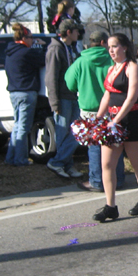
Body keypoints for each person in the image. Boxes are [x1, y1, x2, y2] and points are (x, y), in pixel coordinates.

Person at [93, 33, 138, 221]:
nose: (111, 50)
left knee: (137, 164)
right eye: (109, 47)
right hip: (113, 122)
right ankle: (110, 206)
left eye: (115, 46)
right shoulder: (112, 69)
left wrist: (115, 120)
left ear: (125, 47)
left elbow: (131, 97)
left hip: (133, 120)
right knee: (107, 165)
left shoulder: (133, 68)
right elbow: (107, 96)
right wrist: (98, 118)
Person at [65, 31, 127, 192]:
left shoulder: (80, 62)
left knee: (94, 146)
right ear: (103, 42)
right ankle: (118, 179)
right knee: (114, 142)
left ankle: (97, 181)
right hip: (112, 108)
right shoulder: (111, 60)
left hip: (89, 110)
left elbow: (70, 84)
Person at [45, 19, 83, 179]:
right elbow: (51, 77)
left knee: (75, 131)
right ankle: (60, 163)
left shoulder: (72, 48)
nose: (78, 34)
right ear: (68, 32)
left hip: (73, 96)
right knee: (63, 133)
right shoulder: (55, 49)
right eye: (76, 31)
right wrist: (54, 102)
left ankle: (64, 164)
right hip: (62, 98)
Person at [4, 23, 46, 166]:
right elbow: (42, 60)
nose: (33, 41)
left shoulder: (10, 53)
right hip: (26, 93)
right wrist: (40, 46)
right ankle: (20, 159)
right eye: (31, 38)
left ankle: (10, 158)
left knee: (17, 127)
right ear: (24, 38)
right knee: (23, 128)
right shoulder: (26, 52)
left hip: (14, 93)